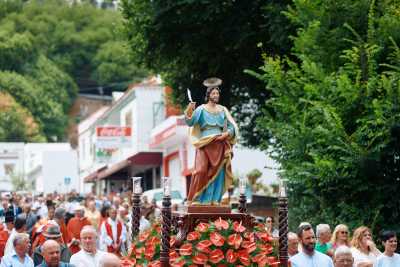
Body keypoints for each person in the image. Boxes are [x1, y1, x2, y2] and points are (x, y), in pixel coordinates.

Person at [184, 77, 239, 204]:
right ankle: (197, 198)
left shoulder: (223, 109)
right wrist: (190, 109)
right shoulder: (201, 109)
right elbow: (190, 122)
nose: (216, 95)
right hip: (205, 143)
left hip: (220, 143)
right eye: (213, 93)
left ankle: (214, 200)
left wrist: (226, 134)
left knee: (218, 173)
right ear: (208, 95)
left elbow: (232, 126)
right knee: (201, 170)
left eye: (217, 93)